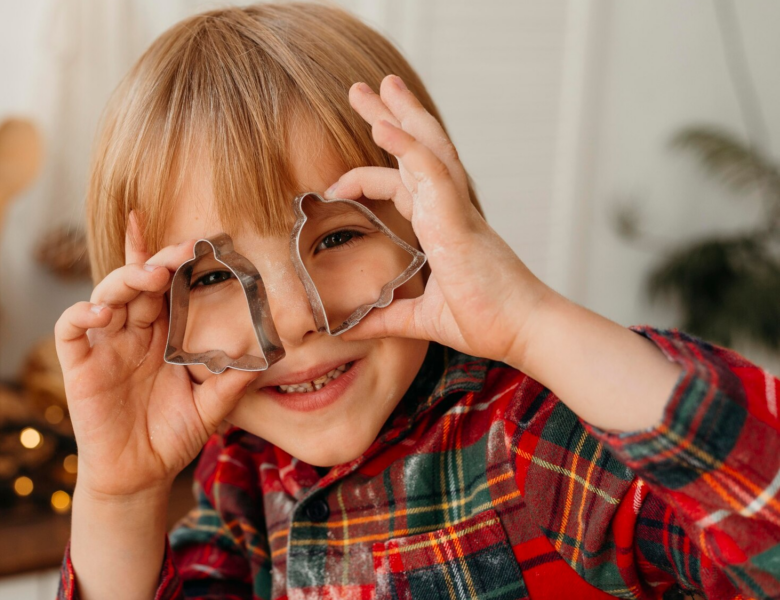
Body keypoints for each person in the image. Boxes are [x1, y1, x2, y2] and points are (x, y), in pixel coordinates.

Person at [53, 4, 780, 599]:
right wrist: (119, 499)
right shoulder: (243, 476)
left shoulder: (532, 439)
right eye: (211, 278)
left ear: (434, 231)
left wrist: (532, 323)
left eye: (336, 238)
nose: (296, 320)